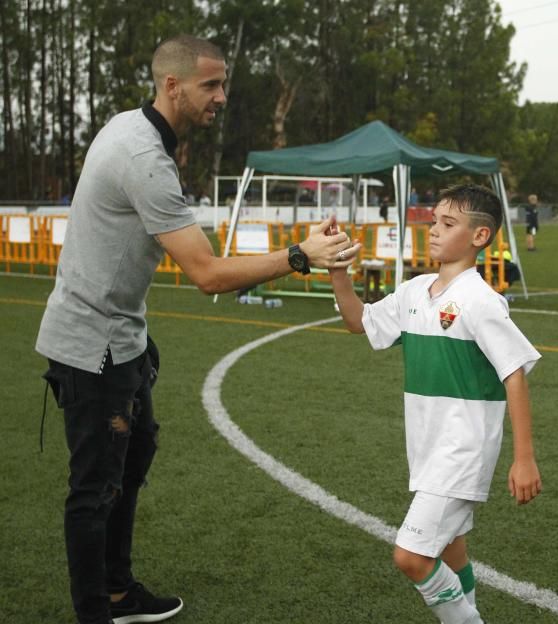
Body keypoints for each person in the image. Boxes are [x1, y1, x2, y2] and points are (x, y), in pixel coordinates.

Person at [34, 35, 360, 624]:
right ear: (172, 85)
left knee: (130, 466)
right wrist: (300, 255)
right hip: (90, 346)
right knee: (94, 490)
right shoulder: (143, 158)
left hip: (122, 337)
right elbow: (208, 275)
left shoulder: (134, 129)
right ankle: (95, 614)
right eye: (211, 85)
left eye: (223, 84)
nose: (222, 97)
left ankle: (116, 591)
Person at [328, 183, 542, 624]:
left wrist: (524, 460)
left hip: (461, 451)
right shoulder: (415, 291)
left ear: (480, 237)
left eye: (448, 224)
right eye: (433, 222)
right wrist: (337, 271)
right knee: (451, 548)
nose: (434, 231)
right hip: (427, 446)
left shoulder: (481, 301)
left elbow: (515, 374)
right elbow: (359, 321)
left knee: (411, 556)